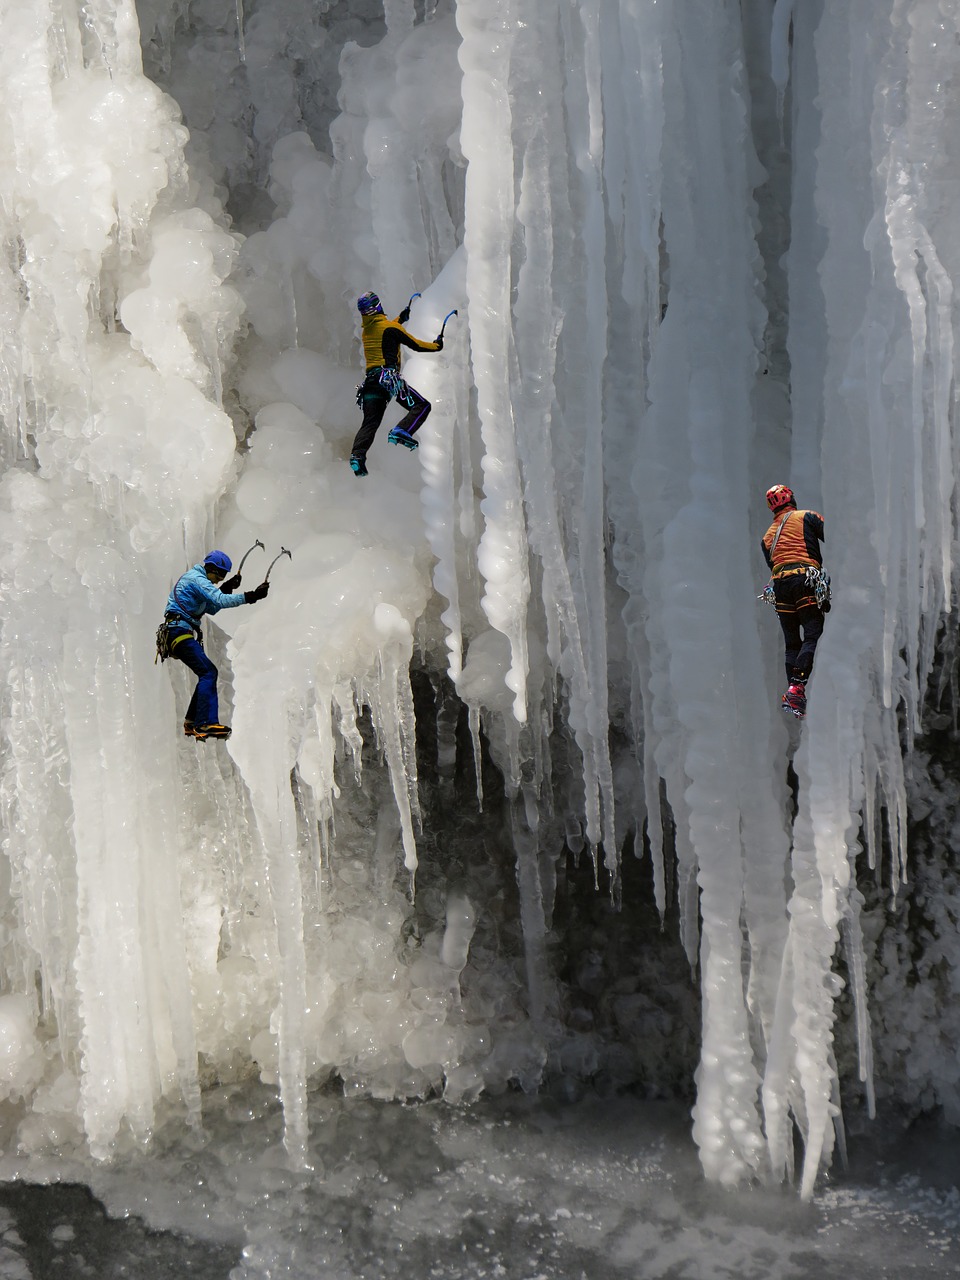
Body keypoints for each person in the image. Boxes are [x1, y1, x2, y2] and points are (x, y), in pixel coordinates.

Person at [158, 551, 270, 741]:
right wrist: (251, 596)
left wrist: (227, 588)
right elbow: (217, 600)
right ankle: (204, 723)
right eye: (219, 576)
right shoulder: (196, 579)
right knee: (208, 673)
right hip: (178, 633)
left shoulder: (198, 580)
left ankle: (192, 722)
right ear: (211, 568)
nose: (219, 580)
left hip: (177, 632)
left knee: (206, 672)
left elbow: (211, 608)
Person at [349, 291, 444, 477]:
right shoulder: (390, 329)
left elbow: (386, 330)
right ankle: (402, 430)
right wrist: (437, 345)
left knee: (370, 422)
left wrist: (401, 317)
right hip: (387, 381)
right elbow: (416, 344)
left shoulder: (367, 331)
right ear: (378, 306)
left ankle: (357, 456)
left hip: (370, 385)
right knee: (422, 406)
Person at [761, 484, 827, 719]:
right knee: (812, 633)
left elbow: (773, 563)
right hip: (804, 578)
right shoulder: (807, 517)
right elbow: (834, 535)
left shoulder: (767, 536)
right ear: (791, 498)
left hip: (780, 586)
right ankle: (798, 686)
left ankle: (793, 691)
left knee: (792, 643)